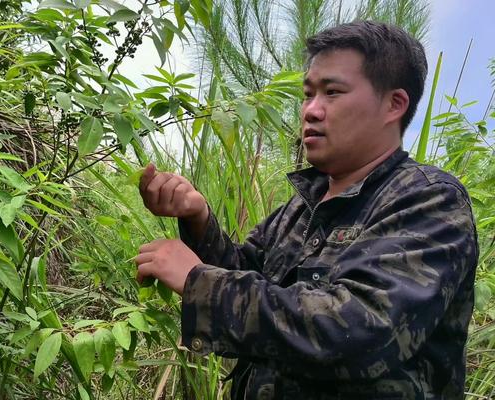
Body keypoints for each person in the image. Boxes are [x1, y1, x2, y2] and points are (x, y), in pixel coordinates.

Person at [135, 21, 478, 399]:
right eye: (308, 94)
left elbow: (359, 332)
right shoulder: (298, 210)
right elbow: (247, 274)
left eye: (332, 92)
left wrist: (198, 281)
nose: (311, 111)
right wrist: (197, 218)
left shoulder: (429, 201)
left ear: (393, 105)